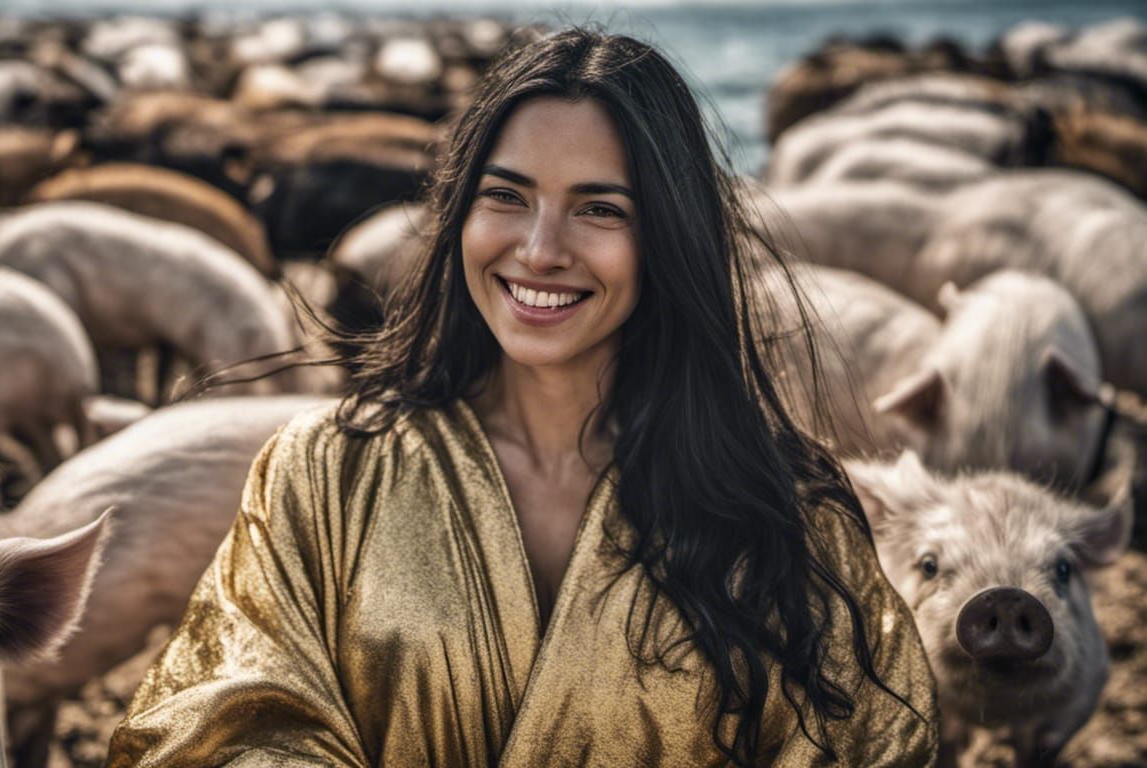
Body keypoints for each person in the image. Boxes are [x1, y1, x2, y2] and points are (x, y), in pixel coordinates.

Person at [107, 27, 937, 767]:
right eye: (505, 196)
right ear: (457, 214)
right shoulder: (324, 473)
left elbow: (865, 743)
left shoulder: (785, 515)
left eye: (599, 209)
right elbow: (218, 722)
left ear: (670, 237)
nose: (540, 250)